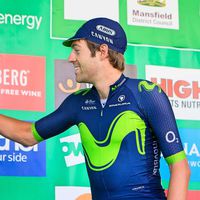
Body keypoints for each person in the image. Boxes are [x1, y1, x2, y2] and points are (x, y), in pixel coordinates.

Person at [0, 17, 190, 200]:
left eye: (77, 50)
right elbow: (27, 135)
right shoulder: (77, 102)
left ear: (102, 51)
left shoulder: (145, 93)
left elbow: (179, 167)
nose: (70, 58)